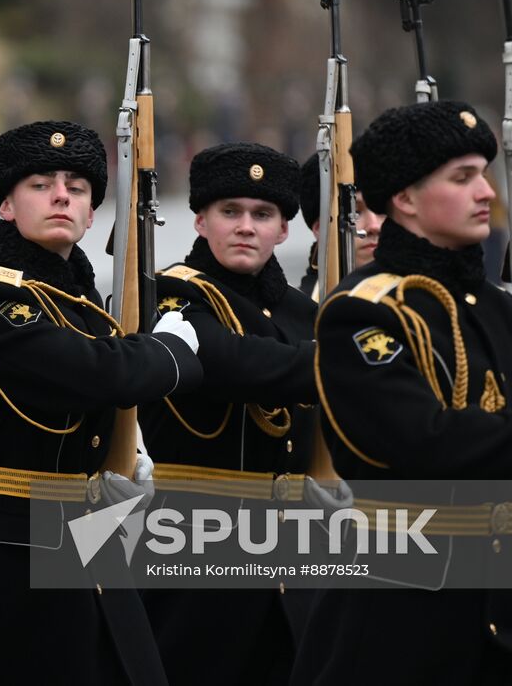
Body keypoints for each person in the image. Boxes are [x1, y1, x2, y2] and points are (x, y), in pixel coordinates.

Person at [293, 101, 512, 685]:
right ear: (405, 199)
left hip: (501, 616)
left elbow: (503, 422)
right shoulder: (363, 310)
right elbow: (424, 444)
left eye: (484, 173)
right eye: (462, 178)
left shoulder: (490, 304)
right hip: (400, 619)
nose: (486, 191)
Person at [0, 120, 204, 686]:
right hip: (8, 542)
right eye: (40, 183)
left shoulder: (80, 294)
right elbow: (95, 372)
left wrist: (118, 458)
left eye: (76, 185)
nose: (61, 194)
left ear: (93, 212)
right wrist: (170, 352)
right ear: (4, 204)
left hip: (86, 530)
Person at [140, 143, 319, 685]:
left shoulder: (300, 310)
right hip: (196, 537)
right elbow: (234, 362)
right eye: (230, 212)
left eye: (263, 215)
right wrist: (349, 365)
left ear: (285, 230)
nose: (247, 227)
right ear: (200, 219)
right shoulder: (172, 294)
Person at [296, 153, 384, 298]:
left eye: (381, 209)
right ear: (320, 228)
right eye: (355, 212)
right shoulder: (299, 314)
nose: (374, 226)